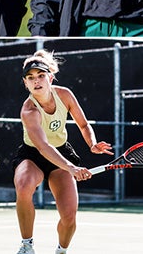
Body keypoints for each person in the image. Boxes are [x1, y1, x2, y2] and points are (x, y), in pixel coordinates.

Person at [13, 50, 113, 254]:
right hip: (33, 155)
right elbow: (43, 147)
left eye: (41, 76)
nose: (36, 81)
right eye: (30, 78)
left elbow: (83, 125)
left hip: (62, 152)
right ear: (25, 83)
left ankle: (61, 250)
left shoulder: (64, 95)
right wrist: (72, 167)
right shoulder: (29, 111)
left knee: (69, 217)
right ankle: (27, 245)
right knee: (23, 186)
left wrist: (92, 144)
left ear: (50, 77)